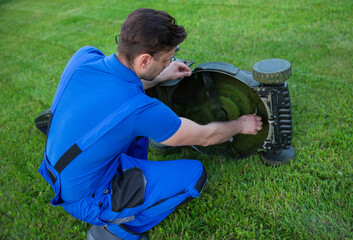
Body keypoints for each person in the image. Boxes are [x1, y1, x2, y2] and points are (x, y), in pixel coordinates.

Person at [38, 8, 263, 240]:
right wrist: (240, 124)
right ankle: (114, 229)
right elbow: (205, 136)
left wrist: (160, 75)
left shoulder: (83, 57)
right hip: (87, 197)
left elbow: (118, 86)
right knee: (193, 175)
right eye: (166, 60)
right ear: (144, 60)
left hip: (59, 169)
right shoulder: (138, 109)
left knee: (129, 130)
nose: (168, 64)